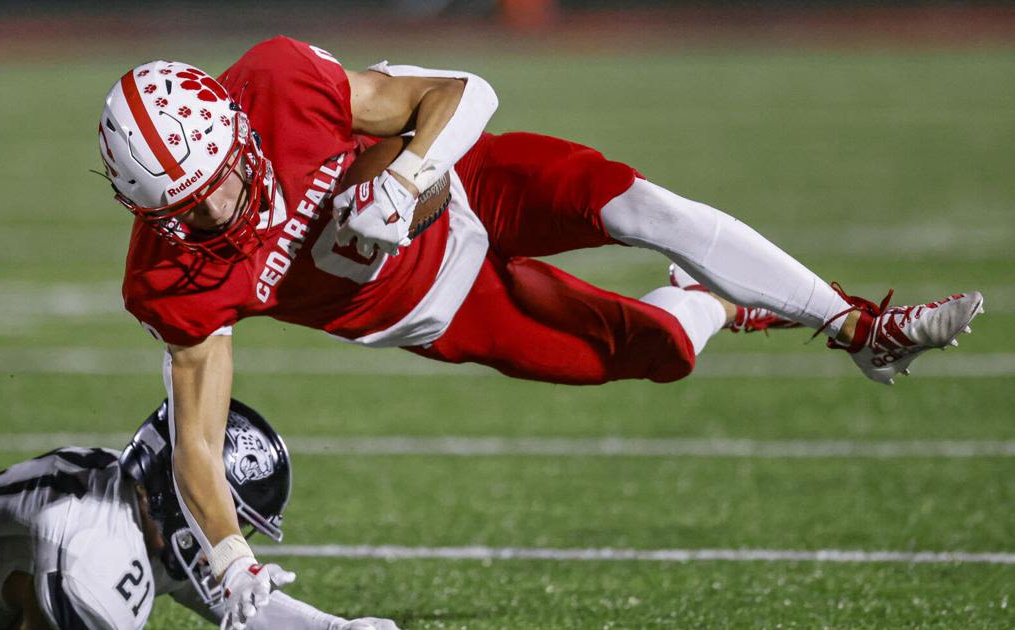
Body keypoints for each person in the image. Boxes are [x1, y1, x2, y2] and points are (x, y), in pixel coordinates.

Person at [96, 37, 984, 625]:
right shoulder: (169, 279)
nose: (217, 206)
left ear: (231, 123)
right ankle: (721, 302)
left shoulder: (281, 83)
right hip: (441, 309)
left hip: (471, 190)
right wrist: (236, 571)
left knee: (638, 203)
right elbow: (198, 445)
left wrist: (406, 176)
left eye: (217, 177)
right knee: (659, 352)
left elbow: (463, 91)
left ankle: (856, 323)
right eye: (186, 205)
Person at [0, 400, 398, 630]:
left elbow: (235, 604)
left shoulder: (126, 500)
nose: (228, 535)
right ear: (176, 495)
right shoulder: (94, 550)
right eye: (222, 512)